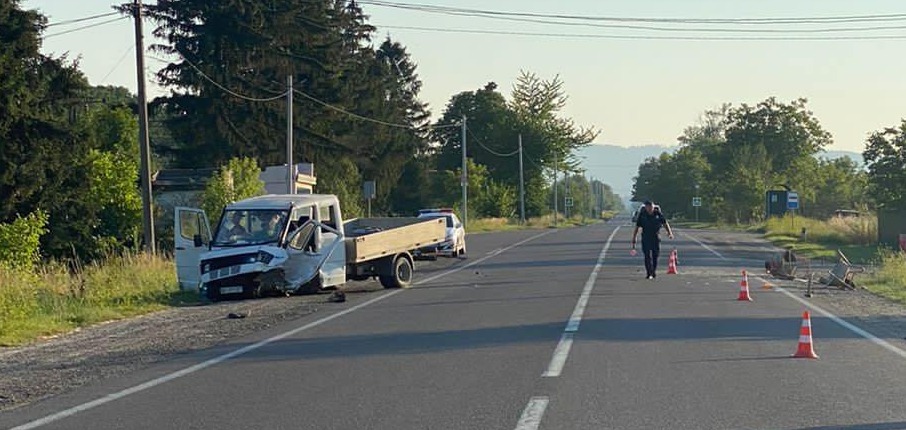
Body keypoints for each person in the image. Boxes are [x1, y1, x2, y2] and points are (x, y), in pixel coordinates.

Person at [630, 201, 674, 279]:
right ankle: (649, 272)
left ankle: (653, 271)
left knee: (655, 256)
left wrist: (669, 233)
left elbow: (665, 223)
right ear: (646, 207)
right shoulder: (642, 215)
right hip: (645, 238)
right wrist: (634, 237)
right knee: (647, 255)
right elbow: (637, 227)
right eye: (648, 207)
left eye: (651, 207)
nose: (650, 209)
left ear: (653, 207)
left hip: (656, 237)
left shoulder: (658, 214)